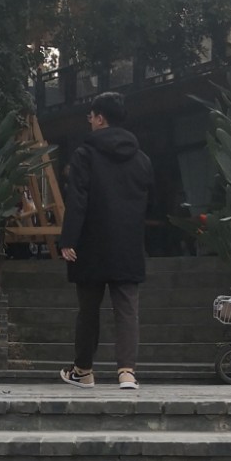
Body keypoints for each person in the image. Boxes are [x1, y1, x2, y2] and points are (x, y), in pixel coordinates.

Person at [58, 90, 154, 390]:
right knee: (127, 310)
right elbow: (148, 202)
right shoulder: (141, 159)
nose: (89, 121)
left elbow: (77, 200)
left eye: (91, 116)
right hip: (128, 243)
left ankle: (83, 370)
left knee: (88, 310)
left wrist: (68, 239)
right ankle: (127, 372)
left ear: (100, 118)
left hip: (91, 243)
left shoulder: (84, 155)